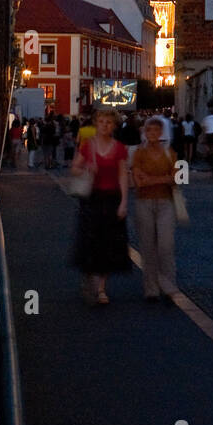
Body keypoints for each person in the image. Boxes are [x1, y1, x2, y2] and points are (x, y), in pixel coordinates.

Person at [70, 108, 130, 305]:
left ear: (114, 126)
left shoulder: (120, 148)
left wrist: (123, 202)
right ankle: (90, 276)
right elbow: (74, 168)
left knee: (109, 243)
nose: (105, 125)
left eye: (109, 122)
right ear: (97, 123)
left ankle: (102, 288)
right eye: (102, 121)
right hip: (92, 199)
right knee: (91, 241)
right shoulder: (88, 145)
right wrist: (86, 167)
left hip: (111, 198)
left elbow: (123, 175)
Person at [130, 114, 179, 304]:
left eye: (156, 130)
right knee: (147, 246)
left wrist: (152, 179)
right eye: (148, 130)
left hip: (166, 202)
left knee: (166, 245)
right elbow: (139, 181)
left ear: (162, 132)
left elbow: (176, 177)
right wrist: (163, 178)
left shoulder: (170, 153)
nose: (152, 133)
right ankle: (151, 287)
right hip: (144, 201)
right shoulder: (139, 153)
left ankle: (168, 285)